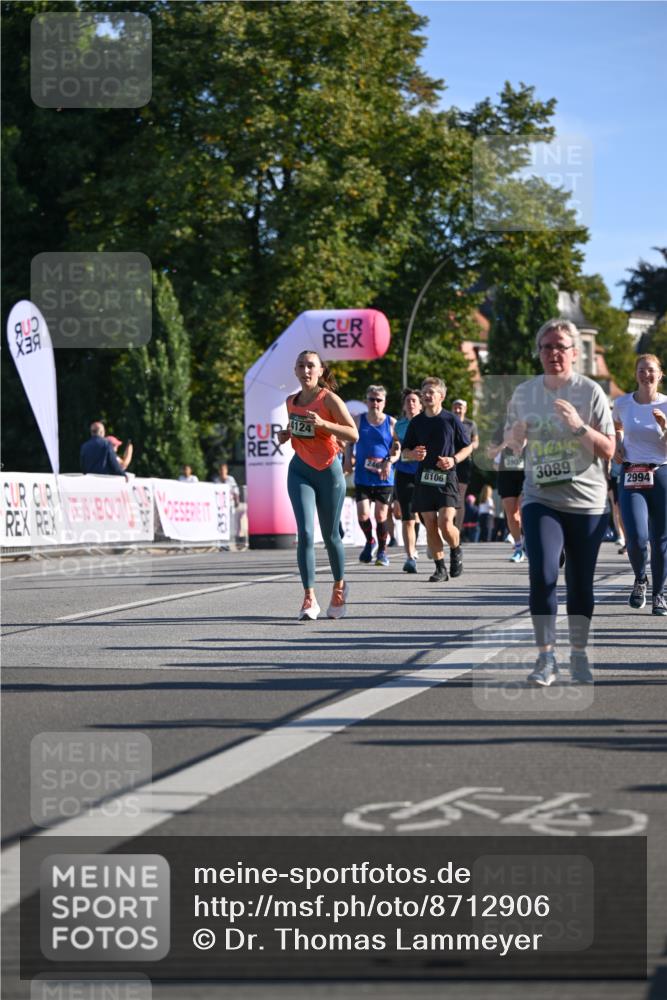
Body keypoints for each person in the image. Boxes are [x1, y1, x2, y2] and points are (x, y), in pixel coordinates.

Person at [505, 318, 615, 686]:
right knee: (544, 574)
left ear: (574, 353)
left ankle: (579, 654)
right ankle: (546, 659)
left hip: (587, 502)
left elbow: (610, 449)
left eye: (561, 347)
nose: (554, 353)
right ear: (538, 353)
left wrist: (578, 426)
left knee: (581, 584)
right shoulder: (523, 394)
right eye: (547, 346)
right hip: (541, 498)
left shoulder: (591, 392)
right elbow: (509, 450)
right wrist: (515, 439)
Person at [277, 350, 358, 620]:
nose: (306, 370)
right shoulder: (291, 401)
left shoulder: (329, 399)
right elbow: (297, 429)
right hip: (300, 471)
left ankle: (338, 586)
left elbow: (353, 433)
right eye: (301, 366)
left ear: (321, 371)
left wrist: (324, 423)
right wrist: (286, 435)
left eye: (311, 366)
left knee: (331, 535)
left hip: (329, 472)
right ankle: (309, 597)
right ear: (296, 371)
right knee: (306, 535)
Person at [401, 376, 472, 581]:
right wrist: (412, 455)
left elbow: (467, 446)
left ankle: (456, 549)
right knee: (430, 523)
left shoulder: (451, 420)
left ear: (442, 396)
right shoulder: (417, 422)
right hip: (424, 477)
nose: (427, 395)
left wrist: (454, 459)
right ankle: (440, 568)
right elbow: (405, 450)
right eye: (425, 392)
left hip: (447, 476)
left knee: (445, 522)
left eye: (431, 392)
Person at [612, 353, 667, 616]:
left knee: (661, 540)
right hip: (633, 471)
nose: (646, 375)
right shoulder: (622, 403)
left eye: (651, 370)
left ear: (660, 374)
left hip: (662, 472)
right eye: (642, 370)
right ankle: (640, 579)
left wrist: (665, 427)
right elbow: (617, 426)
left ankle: (659, 595)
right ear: (636, 374)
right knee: (635, 538)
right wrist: (618, 445)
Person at [344, 385, 397, 567]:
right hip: (363, 476)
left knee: (381, 516)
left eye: (378, 400)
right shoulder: (358, 420)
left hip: (384, 477)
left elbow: (397, 448)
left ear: (384, 402)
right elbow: (349, 441)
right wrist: (348, 456)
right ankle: (370, 541)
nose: (375, 403)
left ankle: (382, 551)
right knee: (363, 514)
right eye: (372, 399)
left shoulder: (391, 423)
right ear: (366, 401)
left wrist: (388, 461)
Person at [390, 388, 423, 572]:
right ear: (403, 405)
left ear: (420, 404)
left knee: (427, 515)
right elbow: (396, 445)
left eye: (414, 401)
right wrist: (394, 453)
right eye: (408, 401)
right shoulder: (399, 426)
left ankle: (433, 546)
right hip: (403, 473)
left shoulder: (427, 423)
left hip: (424, 474)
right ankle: (410, 557)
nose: (411, 404)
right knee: (407, 517)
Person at [488, 426, 526, 562]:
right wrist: (504, 445)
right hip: (507, 476)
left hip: (525, 476)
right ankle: (518, 548)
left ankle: (528, 541)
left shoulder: (530, 425)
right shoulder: (501, 432)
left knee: (524, 510)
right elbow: (492, 459)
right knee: (511, 514)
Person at [450, 399, 479, 531]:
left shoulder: (471, 424)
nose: (457, 409)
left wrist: (468, 447)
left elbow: (476, 442)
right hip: (448, 460)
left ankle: (458, 529)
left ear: (465, 409)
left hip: (464, 462)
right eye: (455, 407)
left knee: (460, 497)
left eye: (460, 407)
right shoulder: (448, 421)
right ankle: (448, 526)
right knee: (449, 494)